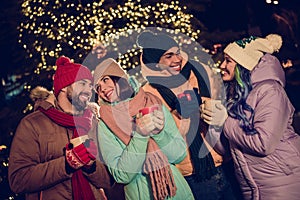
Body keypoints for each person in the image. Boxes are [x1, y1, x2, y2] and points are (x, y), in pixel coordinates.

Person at [136, 30, 238, 200]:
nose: (177, 59)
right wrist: (180, 112)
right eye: (168, 56)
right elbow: (162, 138)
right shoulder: (148, 93)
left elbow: (223, 102)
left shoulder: (200, 73)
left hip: (226, 158)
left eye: (177, 53)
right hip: (193, 172)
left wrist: (207, 106)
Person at [200, 34, 300, 200]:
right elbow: (228, 149)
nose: (222, 65)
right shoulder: (236, 93)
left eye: (228, 61)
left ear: (244, 65)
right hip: (252, 186)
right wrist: (212, 123)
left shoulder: (271, 91)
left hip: (282, 181)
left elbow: (263, 144)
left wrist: (225, 121)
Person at [8, 56, 112, 200]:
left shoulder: (94, 122)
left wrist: (91, 166)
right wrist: (68, 163)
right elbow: (18, 180)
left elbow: (108, 180)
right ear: (63, 87)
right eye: (82, 83)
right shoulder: (32, 124)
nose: (89, 90)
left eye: (90, 85)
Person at [93, 58, 194, 200]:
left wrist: (159, 134)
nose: (102, 89)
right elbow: (122, 175)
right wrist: (140, 135)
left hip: (176, 192)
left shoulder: (151, 102)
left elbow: (179, 155)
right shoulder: (105, 124)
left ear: (119, 77)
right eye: (97, 87)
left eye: (105, 80)